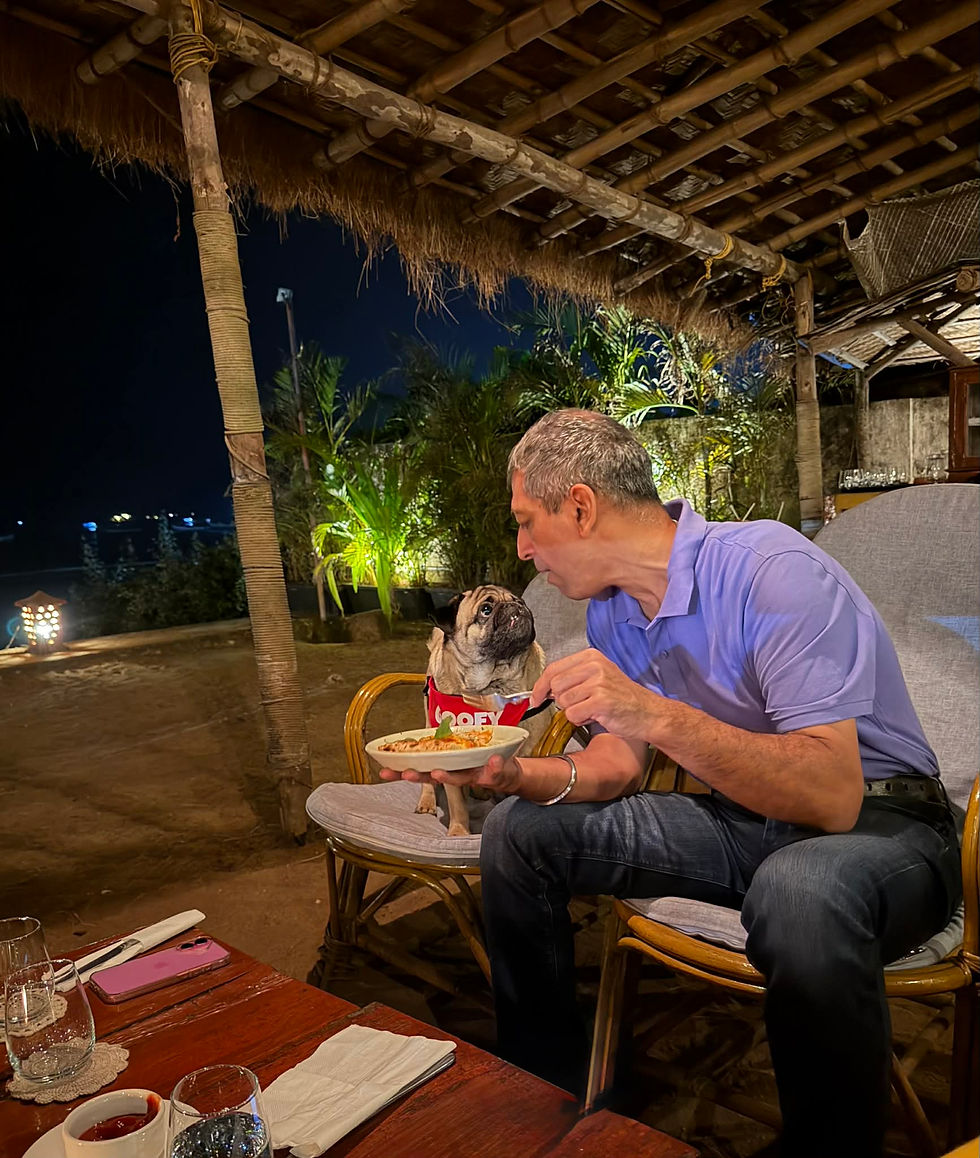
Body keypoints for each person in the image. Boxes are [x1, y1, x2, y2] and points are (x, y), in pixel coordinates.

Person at [381, 409, 961, 1158]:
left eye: (526, 522)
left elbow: (831, 793)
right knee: (522, 834)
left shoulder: (769, 572)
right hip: (744, 823)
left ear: (580, 507)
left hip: (885, 828)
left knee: (798, 888)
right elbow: (619, 764)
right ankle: (544, 1106)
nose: (521, 548)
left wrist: (653, 712)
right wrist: (510, 772)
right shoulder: (613, 615)